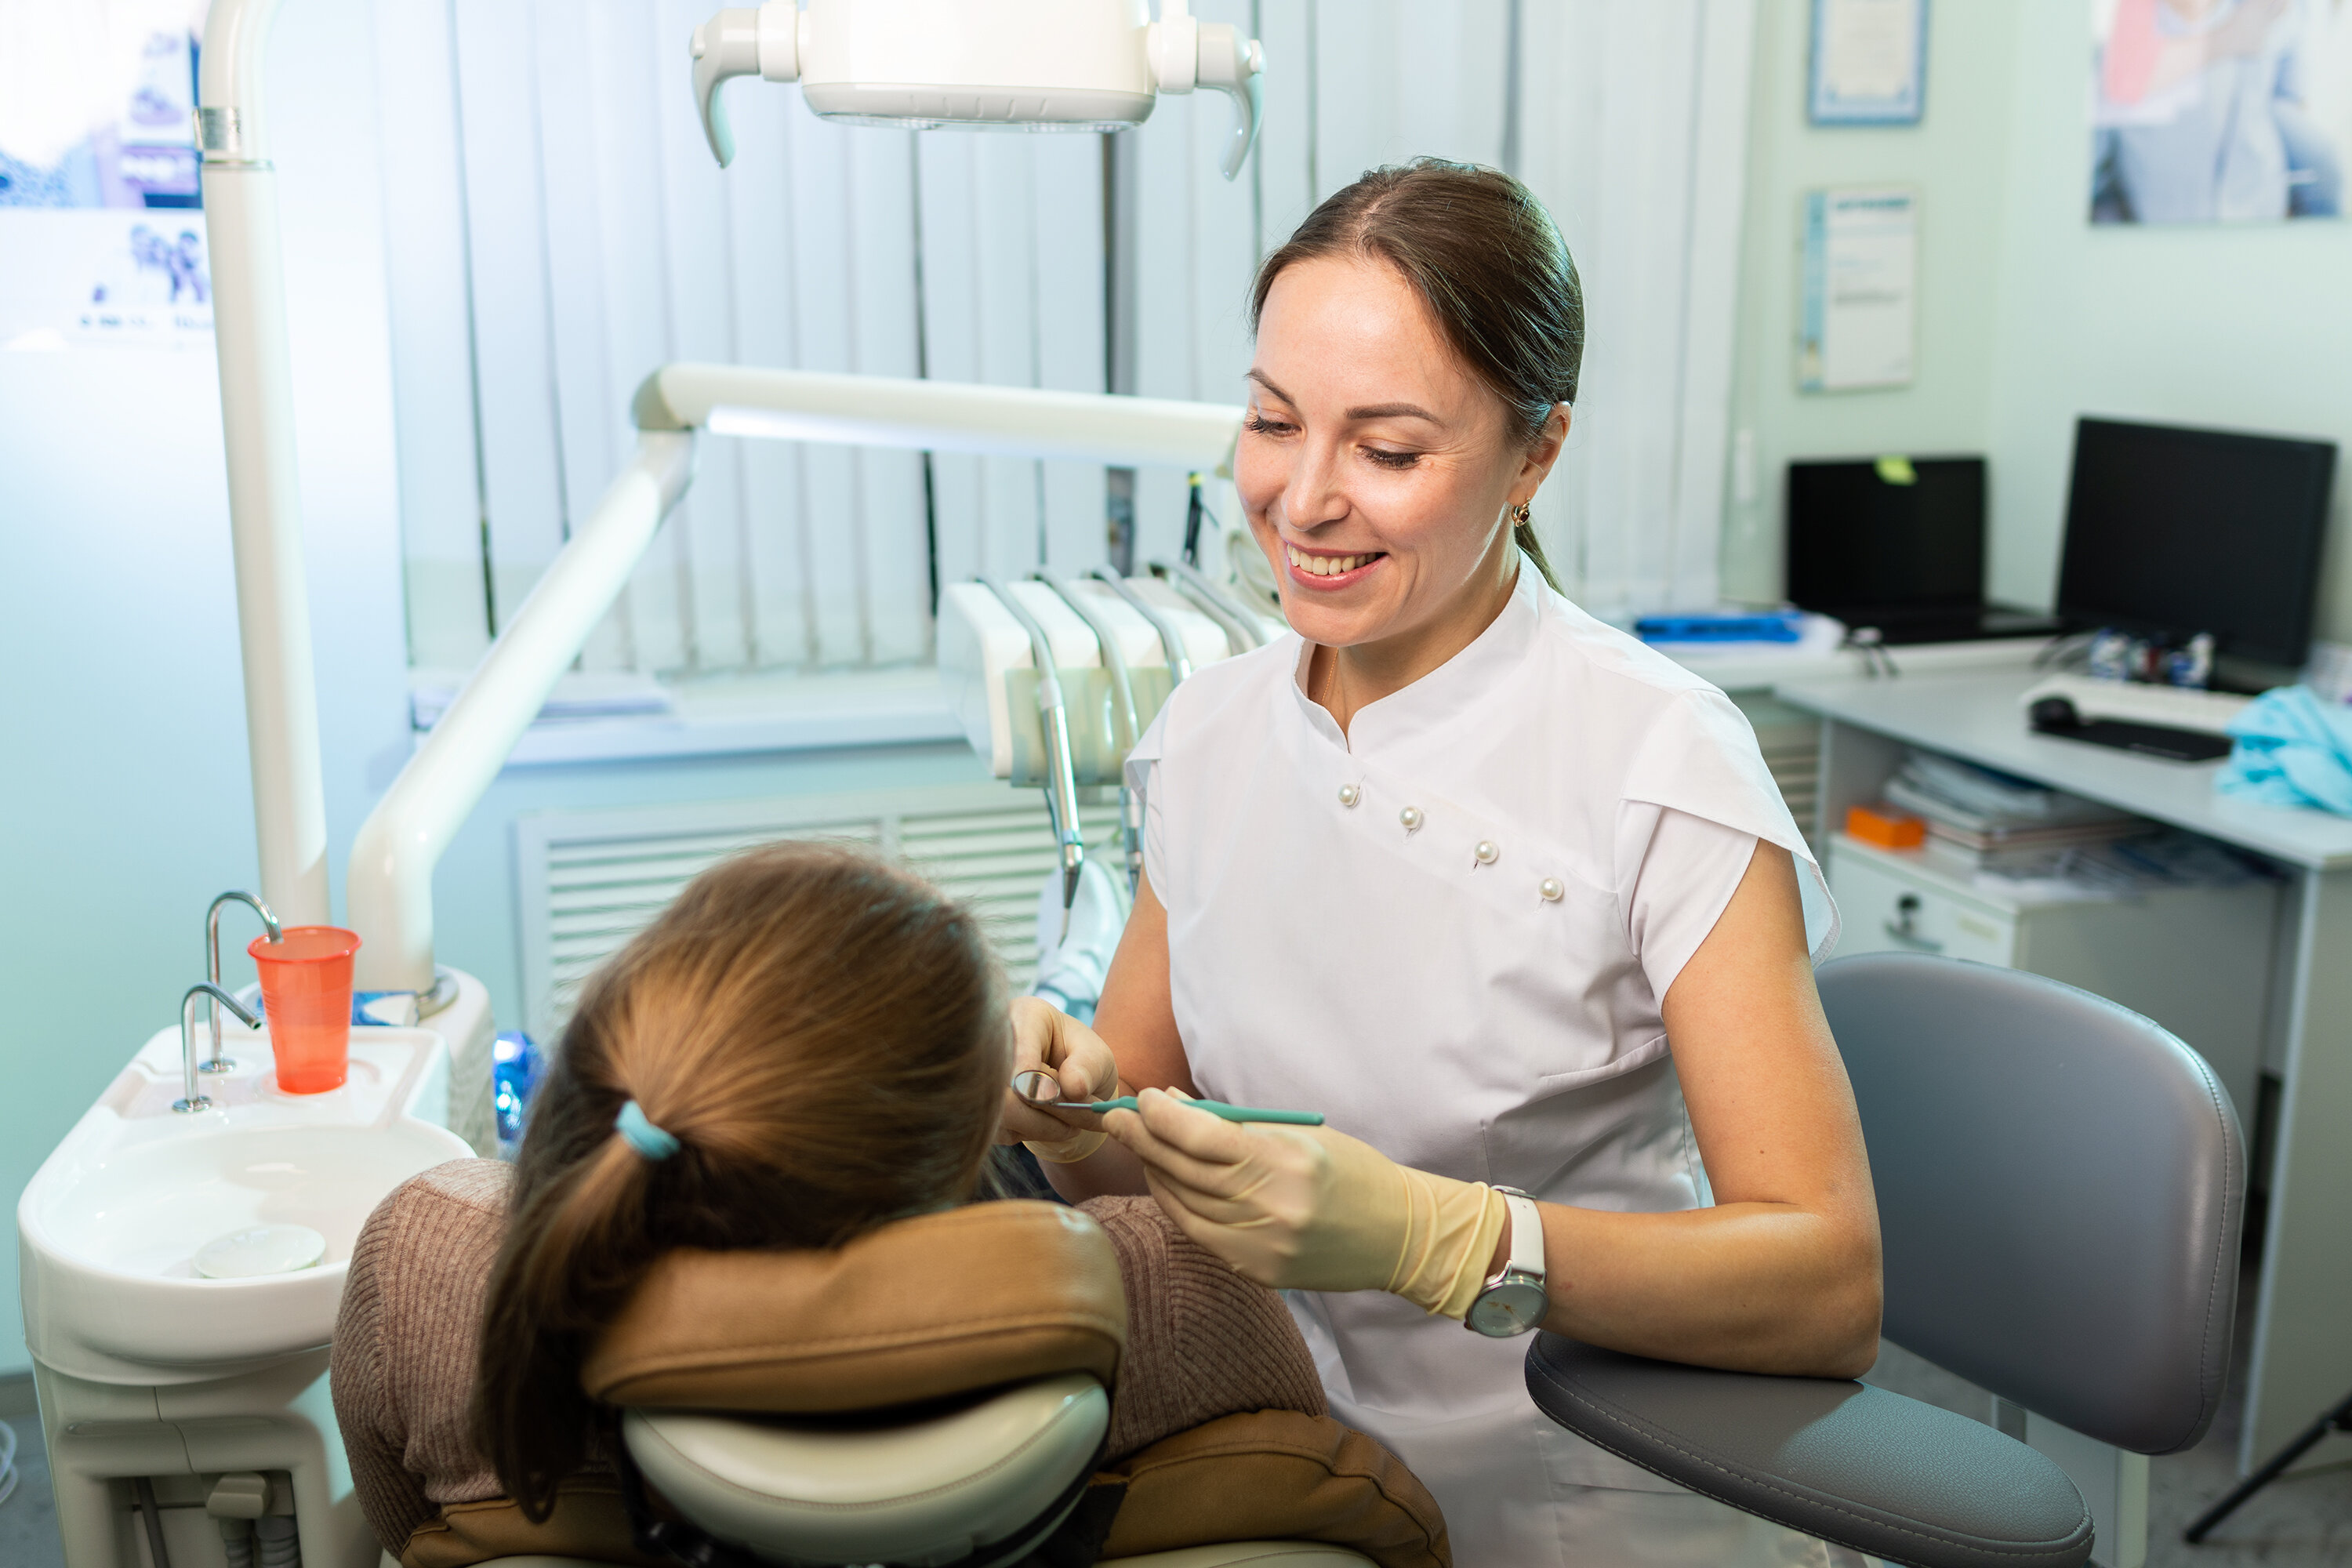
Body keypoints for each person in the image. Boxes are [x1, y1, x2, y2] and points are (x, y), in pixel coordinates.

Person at [997, 161, 1884, 1567]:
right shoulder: (1209, 737)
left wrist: (1442, 1238)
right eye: (1272, 422)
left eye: (1389, 451)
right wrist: (1066, 1116)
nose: (1302, 500)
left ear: (1535, 458)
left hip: (1590, 1472)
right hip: (1293, 1461)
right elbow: (1136, 1166)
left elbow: (1827, 1283)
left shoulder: (1659, 759)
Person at [332, 841, 1385, 1565]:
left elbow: (395, 1525)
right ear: (954, 1140)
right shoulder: (1169, 1280)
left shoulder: (430, 1264)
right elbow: (1309, 1469)